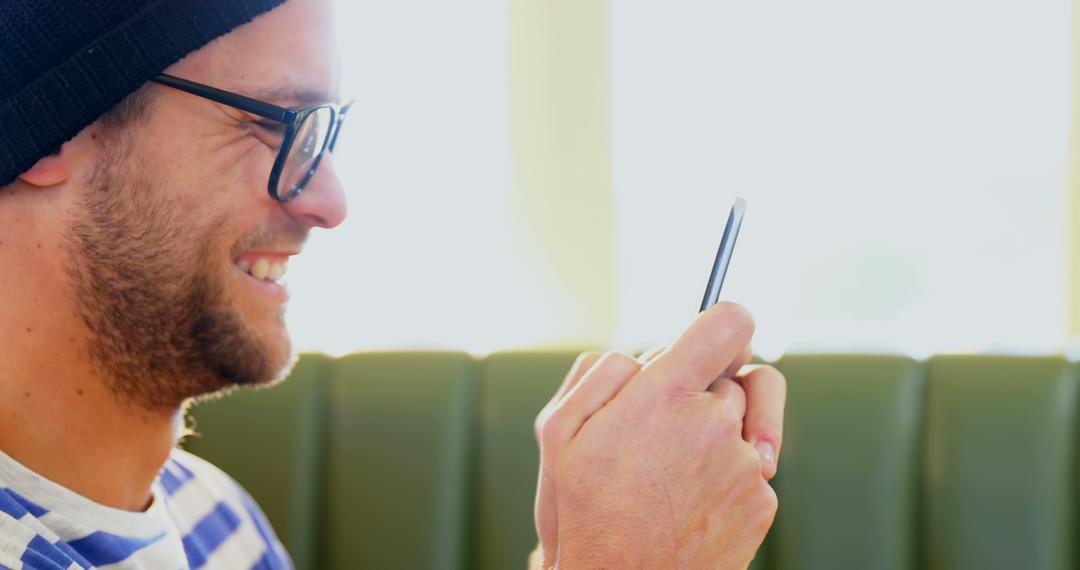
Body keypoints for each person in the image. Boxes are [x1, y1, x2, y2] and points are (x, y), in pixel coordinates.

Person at [0, 0, 786, 568]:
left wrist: (578, 544)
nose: (329, 202)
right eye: (273, 123)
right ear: (55, 128)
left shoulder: (212, 519)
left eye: (324, 133)